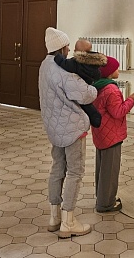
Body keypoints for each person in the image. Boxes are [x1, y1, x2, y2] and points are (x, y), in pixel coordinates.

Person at [39, 27, 97, 238]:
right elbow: (85, 95)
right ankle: (68, 221)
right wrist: (94, 88)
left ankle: (54, 217)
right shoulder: (62, 70)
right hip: (71, 127)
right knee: (75, 172)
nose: (69, 50)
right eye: (67, 46)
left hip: (54, 126)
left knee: (57, 169)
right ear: (62, 48)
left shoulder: (45, 65)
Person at [90, 56, 134, 213]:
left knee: (102, 168)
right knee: (110, 171)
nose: (118, 70)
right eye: (116, 68)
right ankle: (106, 204)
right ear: (110, 72)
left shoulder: (98, 86)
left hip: (101, 133)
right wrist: (131, 100)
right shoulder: (111, 89)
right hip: (112, 135)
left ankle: (102, 197)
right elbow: (118, 112)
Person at [54, 38, 106, 128]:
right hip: (88, 85)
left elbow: (63, 63)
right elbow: (98, 75)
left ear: (76, 51)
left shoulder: (75, 63)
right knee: (88, 105)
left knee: (83, 105)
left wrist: (57, 56)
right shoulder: (95, 62)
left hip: (79, 87)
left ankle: (94, 118)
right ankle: (96, 118)